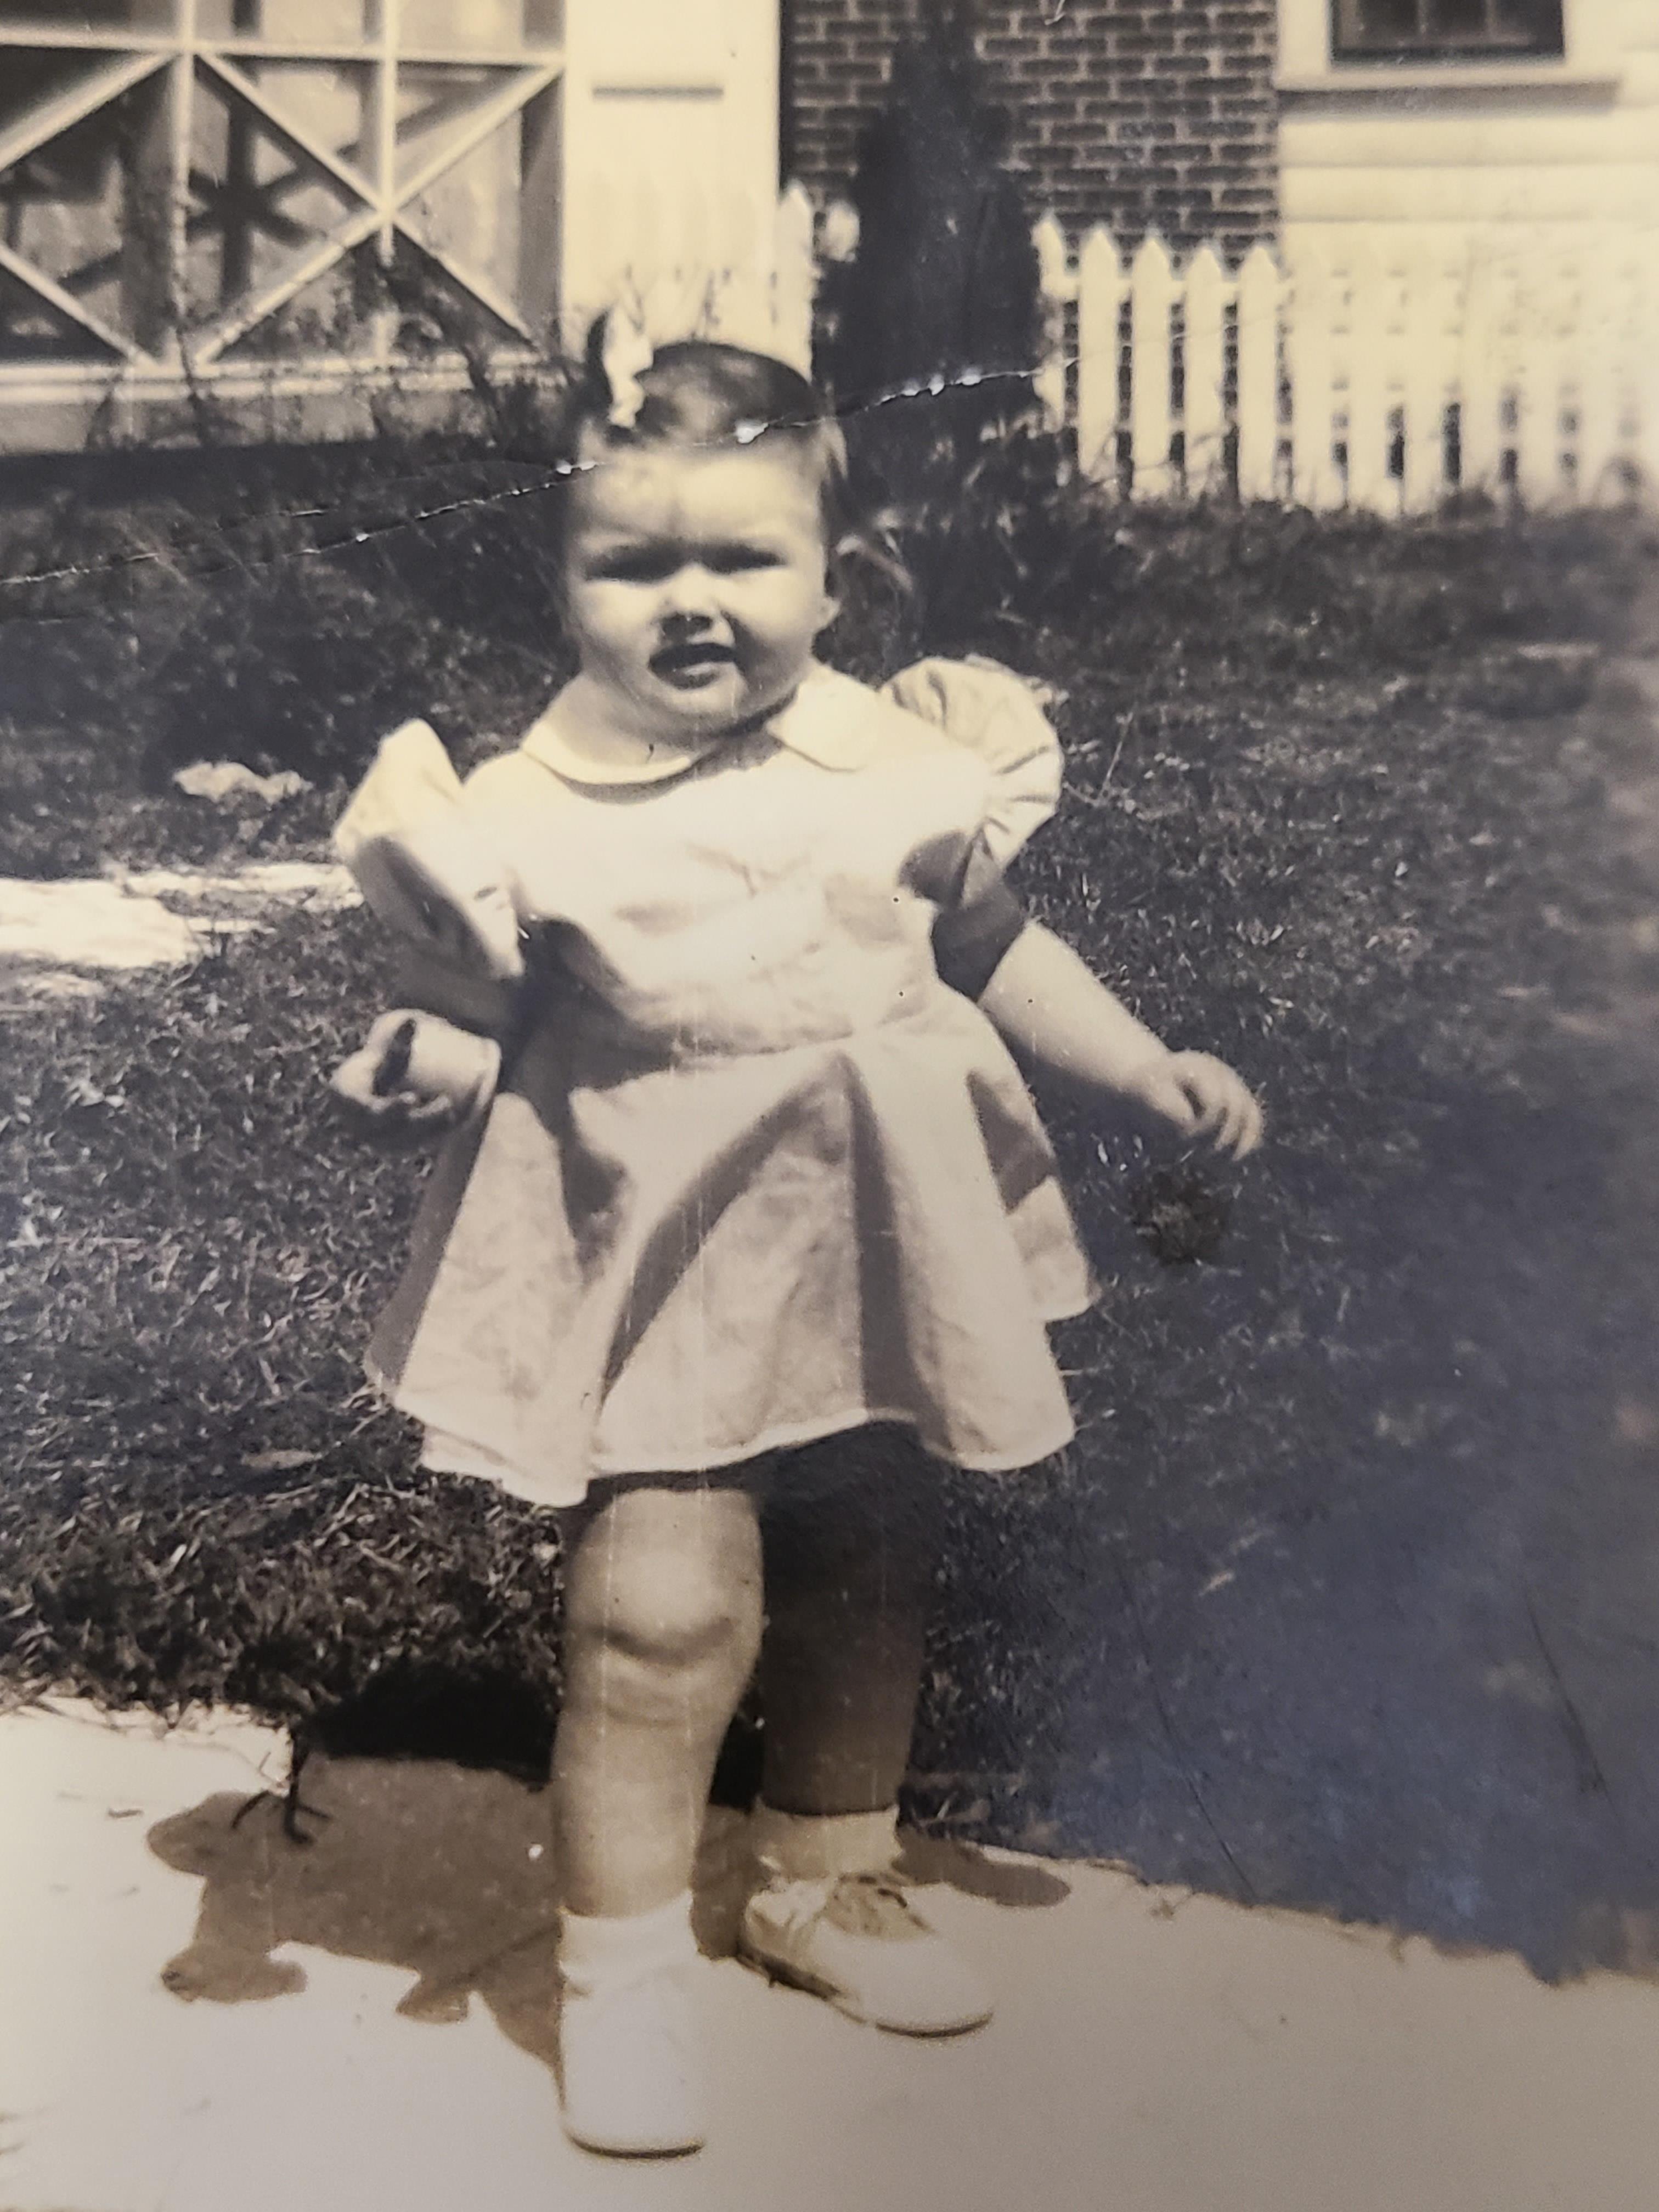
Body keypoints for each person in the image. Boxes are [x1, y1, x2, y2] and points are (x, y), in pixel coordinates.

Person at [329, 323, 1262, 2159]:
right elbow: (473, 999)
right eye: (635, 564)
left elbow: (989, 949)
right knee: (660, 1614)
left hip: (877, 1231)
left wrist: (1144, 1069)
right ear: (564, 577)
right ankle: (620, 1970)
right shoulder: (523, 810)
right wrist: (418, 1061)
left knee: (864, 1559)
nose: (693, 604)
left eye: (742, 561)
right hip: (663, 1238)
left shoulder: (896, 761)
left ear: (837, 578)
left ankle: (822, 1880)